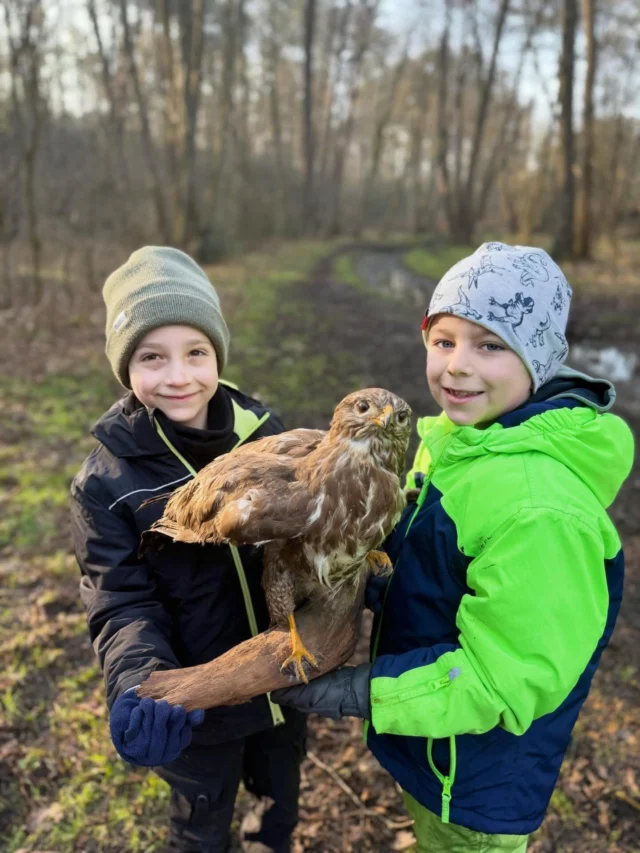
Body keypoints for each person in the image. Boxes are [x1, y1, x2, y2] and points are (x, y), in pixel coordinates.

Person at [273, 242, 634, 852]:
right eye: (444, 341)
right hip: (436, 751)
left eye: (490, 345)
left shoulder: (541, 510)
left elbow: (499, 681)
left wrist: (363, 692)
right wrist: (389, 576)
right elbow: (446, 559)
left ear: (538, 359)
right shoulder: (454, 439)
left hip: (476, 788)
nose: (456, 367)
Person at [70, 246, 305, 853]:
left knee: (281, 793)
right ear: (126, 370)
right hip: (198, 708)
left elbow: (305, 534)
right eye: (152, 357)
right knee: (201, 823)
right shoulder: (107, 483)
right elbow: (120, 603)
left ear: (216, 354)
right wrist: (143, 681)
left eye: (196, 353)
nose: (178, 377)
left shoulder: (265, 432)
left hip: (285, 680)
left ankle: (272, 835)